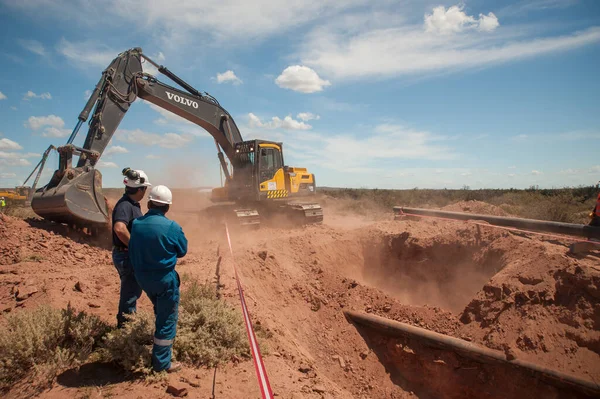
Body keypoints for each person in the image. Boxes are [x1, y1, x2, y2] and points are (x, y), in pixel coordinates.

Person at [129, 185, 187, 373]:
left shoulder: (136, 224)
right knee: (167, 318)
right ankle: (162, 364)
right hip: (163, 279)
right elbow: (182, 251)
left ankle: (159, 345)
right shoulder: (172, 227)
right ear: (167, 207)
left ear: (149, 203)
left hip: (142, 279)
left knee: (160, 310)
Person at [112, 167, 152, 328]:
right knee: (130, 293)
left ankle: (127, 325)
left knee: (133, 291)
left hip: (129, 255)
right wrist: (135, 246)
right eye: (145, 189)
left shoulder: (132, 204)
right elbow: (119, 228)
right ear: (140, 189)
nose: (145, 192)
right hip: (126, 255)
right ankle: (124, 329)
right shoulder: (125, 206)